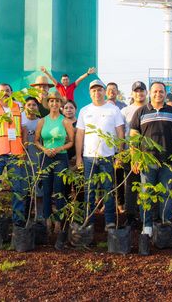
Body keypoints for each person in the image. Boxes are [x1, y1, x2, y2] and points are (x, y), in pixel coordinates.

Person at [129, 82, 172, 236]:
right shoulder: (141, 112)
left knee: (166, 194)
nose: (158, 94)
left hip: (168, 162)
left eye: (161, 91)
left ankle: (165, 225)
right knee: (146, 192)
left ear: (165, 93)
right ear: (150, 93)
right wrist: (135, 159)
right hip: (147, 161)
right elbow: (134, 138)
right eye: (155, 91)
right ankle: (146, 226)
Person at [75, 79, 125, 230]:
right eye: (94, 90)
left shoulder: (113, 109)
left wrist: (120, 154)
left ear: (104, 91)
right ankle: (89, 222)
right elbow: (79, 135)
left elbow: (120, 132)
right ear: (90, 93)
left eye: (99, 90)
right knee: (89, 192)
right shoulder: (84, 110)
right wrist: (78, 157)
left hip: (108, 156)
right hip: (89, 157)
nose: (97, 93)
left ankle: (109, 222)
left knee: (108, 190)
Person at [0, 83, 29, 226]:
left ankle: (18, 221)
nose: (5, 93)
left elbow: (24, 131)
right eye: (2, 91)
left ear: (12, 92)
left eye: (8, 90)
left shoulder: (20, 107)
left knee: (18, 188)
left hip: (16, 154)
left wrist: (24, 151)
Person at [33, 91, 73, 230]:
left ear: (60, 103)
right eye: (51, 101)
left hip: (61, 157)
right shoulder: (42, 121)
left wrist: (59, 148)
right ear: (48, 103)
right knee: (46, 190)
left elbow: (71, 142)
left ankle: (58, 221)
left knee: (59, 190)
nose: (54, 104)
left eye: (57, 101)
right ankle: (47, 220)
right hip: (46, 157)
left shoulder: (65, 121)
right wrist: (44, 149)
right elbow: (36, 141)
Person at [119, 81, 148, 227]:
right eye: (136, 91)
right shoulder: (125, 111)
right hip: (129, 153)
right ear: (132, 94)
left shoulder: (150, 109)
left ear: (146, 92)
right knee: (130, 186)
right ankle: (130, 216)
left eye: (142, 90)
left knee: (146, 185)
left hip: (147, 154)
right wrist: (121, 153)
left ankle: (145, 216)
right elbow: (121, 133)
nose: (139, 93)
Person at [23, 97, 43, 221]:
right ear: (24, 107)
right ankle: (25, 216)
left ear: (38, 107)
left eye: (34, 105)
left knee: (39, 190)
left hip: (38, 160)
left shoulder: (41, 122)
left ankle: (39, 215)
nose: (31, 107)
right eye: (29, 104)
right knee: (25, 189)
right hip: (24, 160)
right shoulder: (21, 121)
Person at [62, 100, 78, 164]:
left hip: (77, 157)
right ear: (62, 111)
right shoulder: (59, 124)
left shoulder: (80, 124)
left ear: (75, 109)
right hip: (62, 156)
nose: (68, 110)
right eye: (66, 108)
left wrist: (77, 156)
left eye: (71, 108)